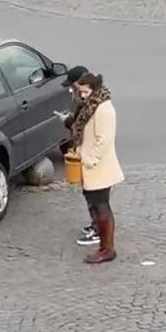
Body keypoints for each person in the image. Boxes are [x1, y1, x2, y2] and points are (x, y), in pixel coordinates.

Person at [69, 73, 124, 264]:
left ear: (94, 89)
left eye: (85, 91)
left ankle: (107, 249)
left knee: (102, 207)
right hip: (91, 166)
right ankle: (104, 246)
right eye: (81, 91)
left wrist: (90, 160)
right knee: (96, 205)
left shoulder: (103, 109)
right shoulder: (91, 105)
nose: (83, 96)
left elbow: (104, 140)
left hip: (98, 167)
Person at [57, 65, 99, 246]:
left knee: (96, 196)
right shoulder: (85, 97)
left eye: (72, 85)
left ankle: (98, 230)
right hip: (87, 154)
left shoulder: (90, 101)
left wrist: (67, 121)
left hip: (92, 158)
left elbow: (83, 128)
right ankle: (95, 225)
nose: (71, 89)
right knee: (90, 194)